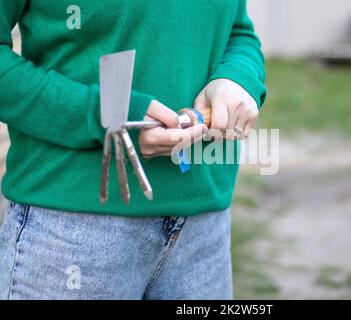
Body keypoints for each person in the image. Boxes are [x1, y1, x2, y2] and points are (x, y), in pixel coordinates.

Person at [0, 0, 266, 300]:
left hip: (203, 228)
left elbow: (237, 31)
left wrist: (238, 78)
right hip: (71, 229)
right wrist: (104, 114)